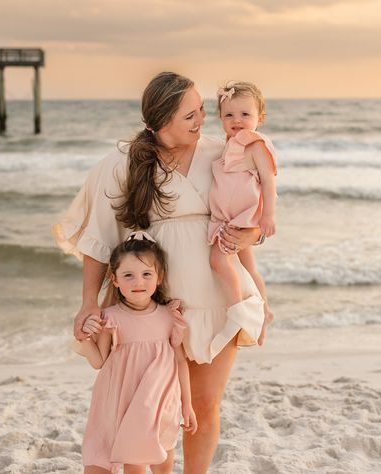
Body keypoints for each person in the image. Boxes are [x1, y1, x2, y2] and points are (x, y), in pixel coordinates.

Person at [53, 72, 269, 473]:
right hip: (153, 309)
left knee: (203, 405)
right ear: (163, 118)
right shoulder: (122, 163)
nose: (202, 119)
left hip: (218, 300)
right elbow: (100, 241)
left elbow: (251, 215)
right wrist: (88, 303)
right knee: (155, 408)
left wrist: (251, 254)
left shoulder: (225, 153)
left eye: (202, 110)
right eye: (191, 114)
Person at [76, 231, 197, 473]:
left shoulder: (170, 316)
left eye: (146, 274)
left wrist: (187, 405)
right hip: (124, 399)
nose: (138, 282)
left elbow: (181, 361)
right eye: (128, 275)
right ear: (115, 279)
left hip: (162, 398)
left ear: (159, 277)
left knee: (163, 454)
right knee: (134, 459)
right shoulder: (110, 318)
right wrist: (83, 337)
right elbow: (99, 362)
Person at [208, 82, 277, 345]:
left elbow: (269, 182)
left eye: (245, 115)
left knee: (218, 260)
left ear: (260, 118)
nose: (237, 121)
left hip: (241, 218)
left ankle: (237, 311)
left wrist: (267, 216)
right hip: (227, 218)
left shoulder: (256, 144)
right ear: (220, 118)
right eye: (229, 115)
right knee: (249, 268)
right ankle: (265, 311)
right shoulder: (229, 144)